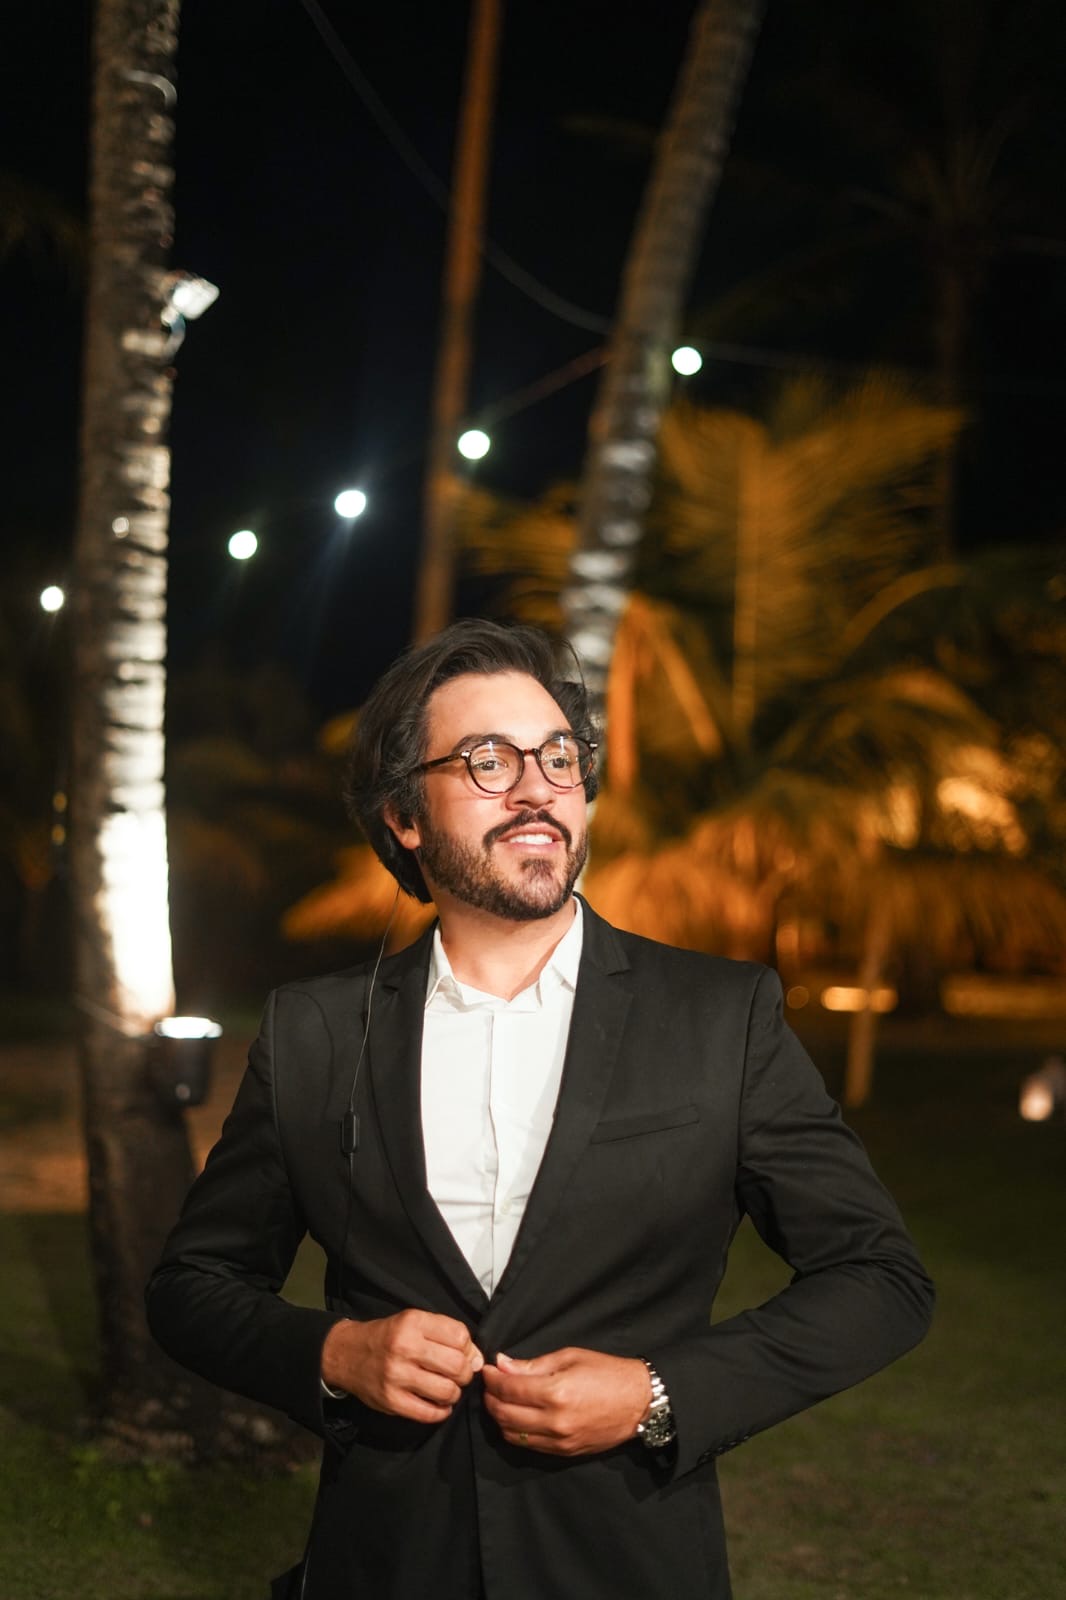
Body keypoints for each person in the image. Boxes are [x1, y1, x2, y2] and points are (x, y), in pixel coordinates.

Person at [146, 619, 934, 1600]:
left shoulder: (719, 1017)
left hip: (625, 1566)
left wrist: (657, 1392)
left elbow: (879, 1279)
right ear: (403, 816)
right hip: (385, 1565)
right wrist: (335, 1352)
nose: (537, 789)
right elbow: (192, 1286)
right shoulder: (316, 1030)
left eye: (558, 756)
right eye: (489, 760)